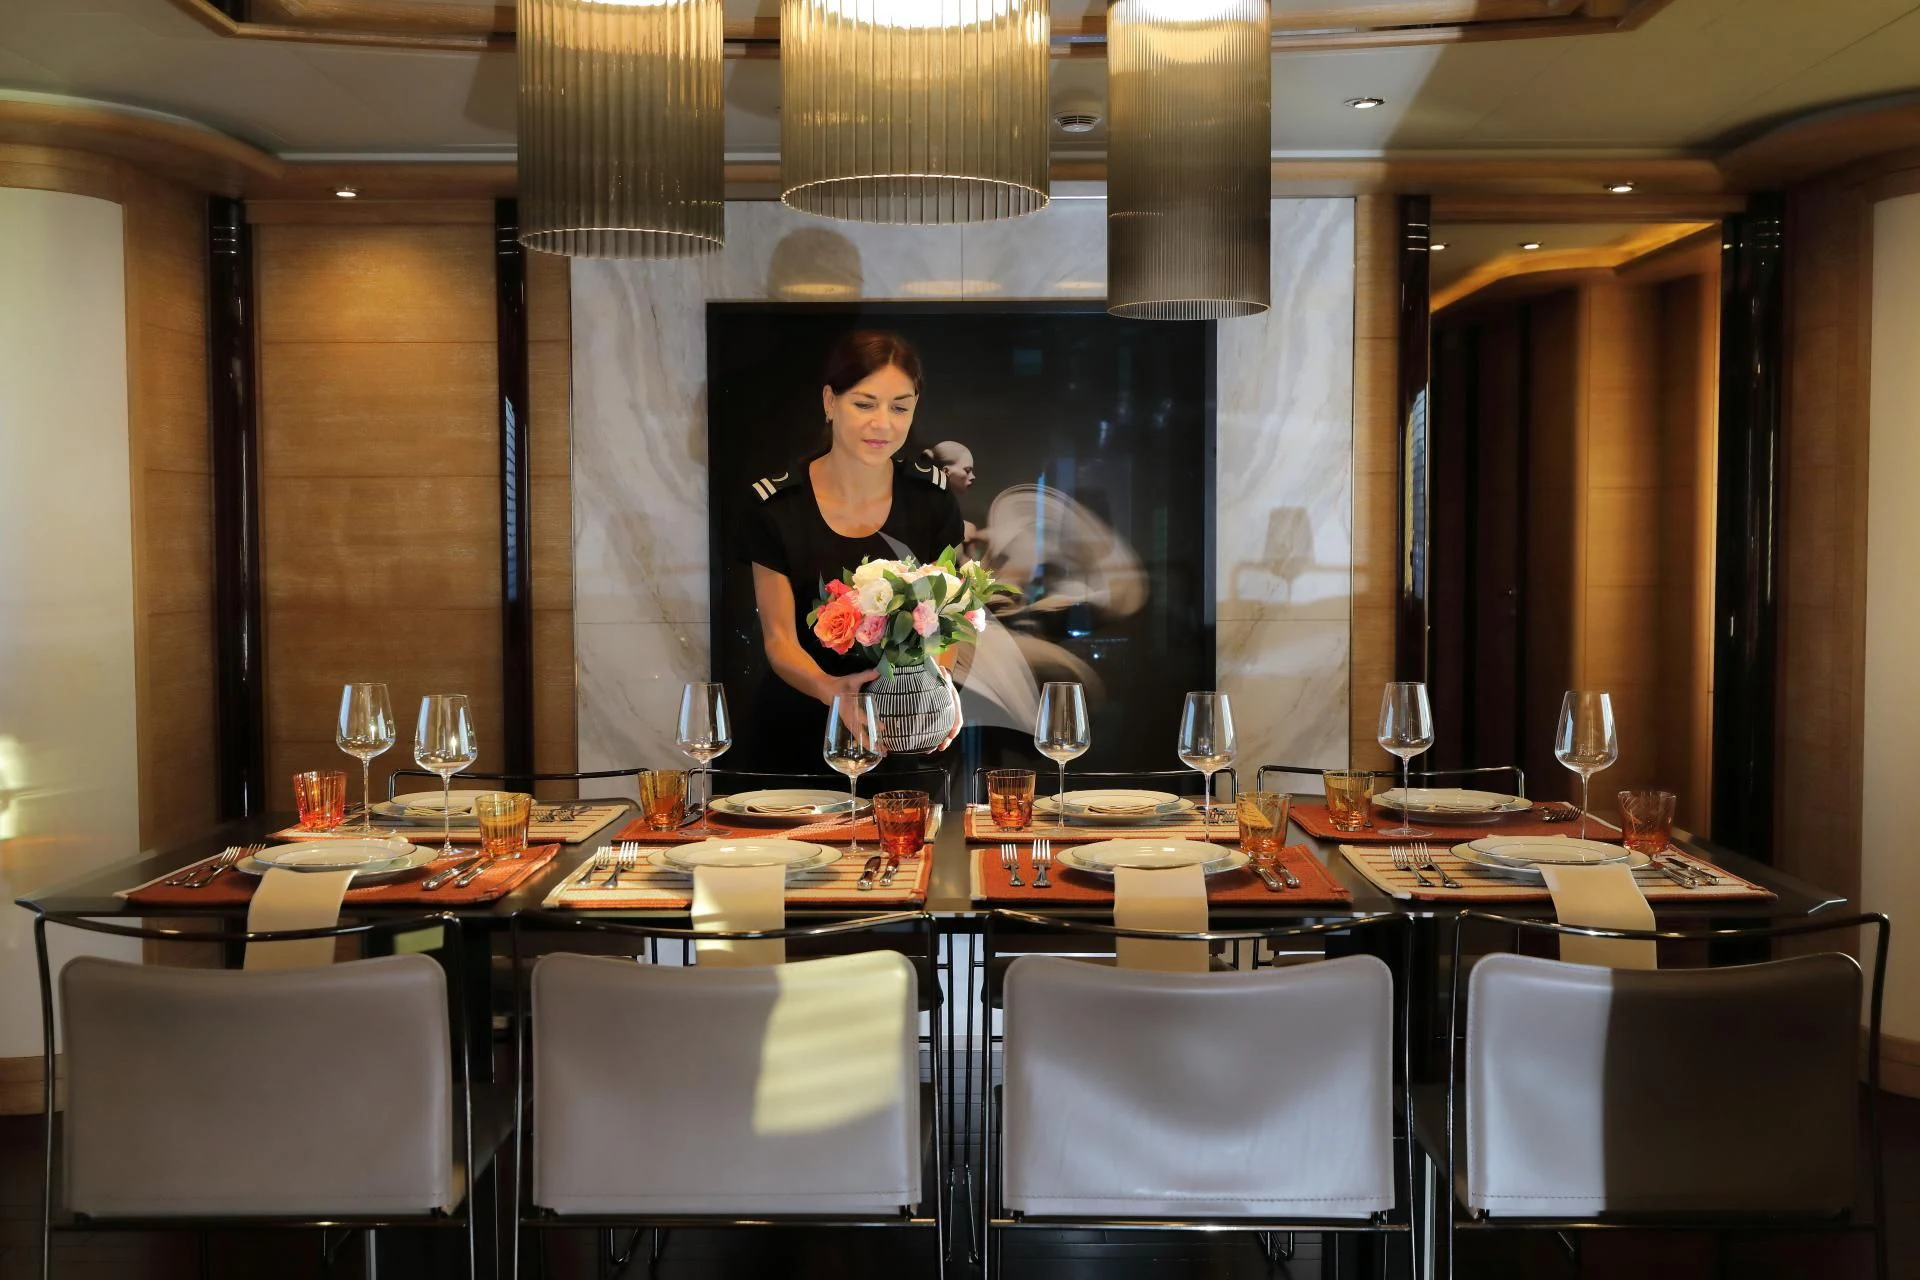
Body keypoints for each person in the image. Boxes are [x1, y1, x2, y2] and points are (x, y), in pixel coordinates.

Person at [742, 331, 966, 771]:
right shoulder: (777, 505)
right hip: (804, 734)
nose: (882, 423)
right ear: (830, 402)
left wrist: (937, 686)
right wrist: (831, 690)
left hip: (908, 736)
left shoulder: (932, 500)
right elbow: (780, 639)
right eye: (864, 404)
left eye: (899, 407)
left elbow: (947, 621)